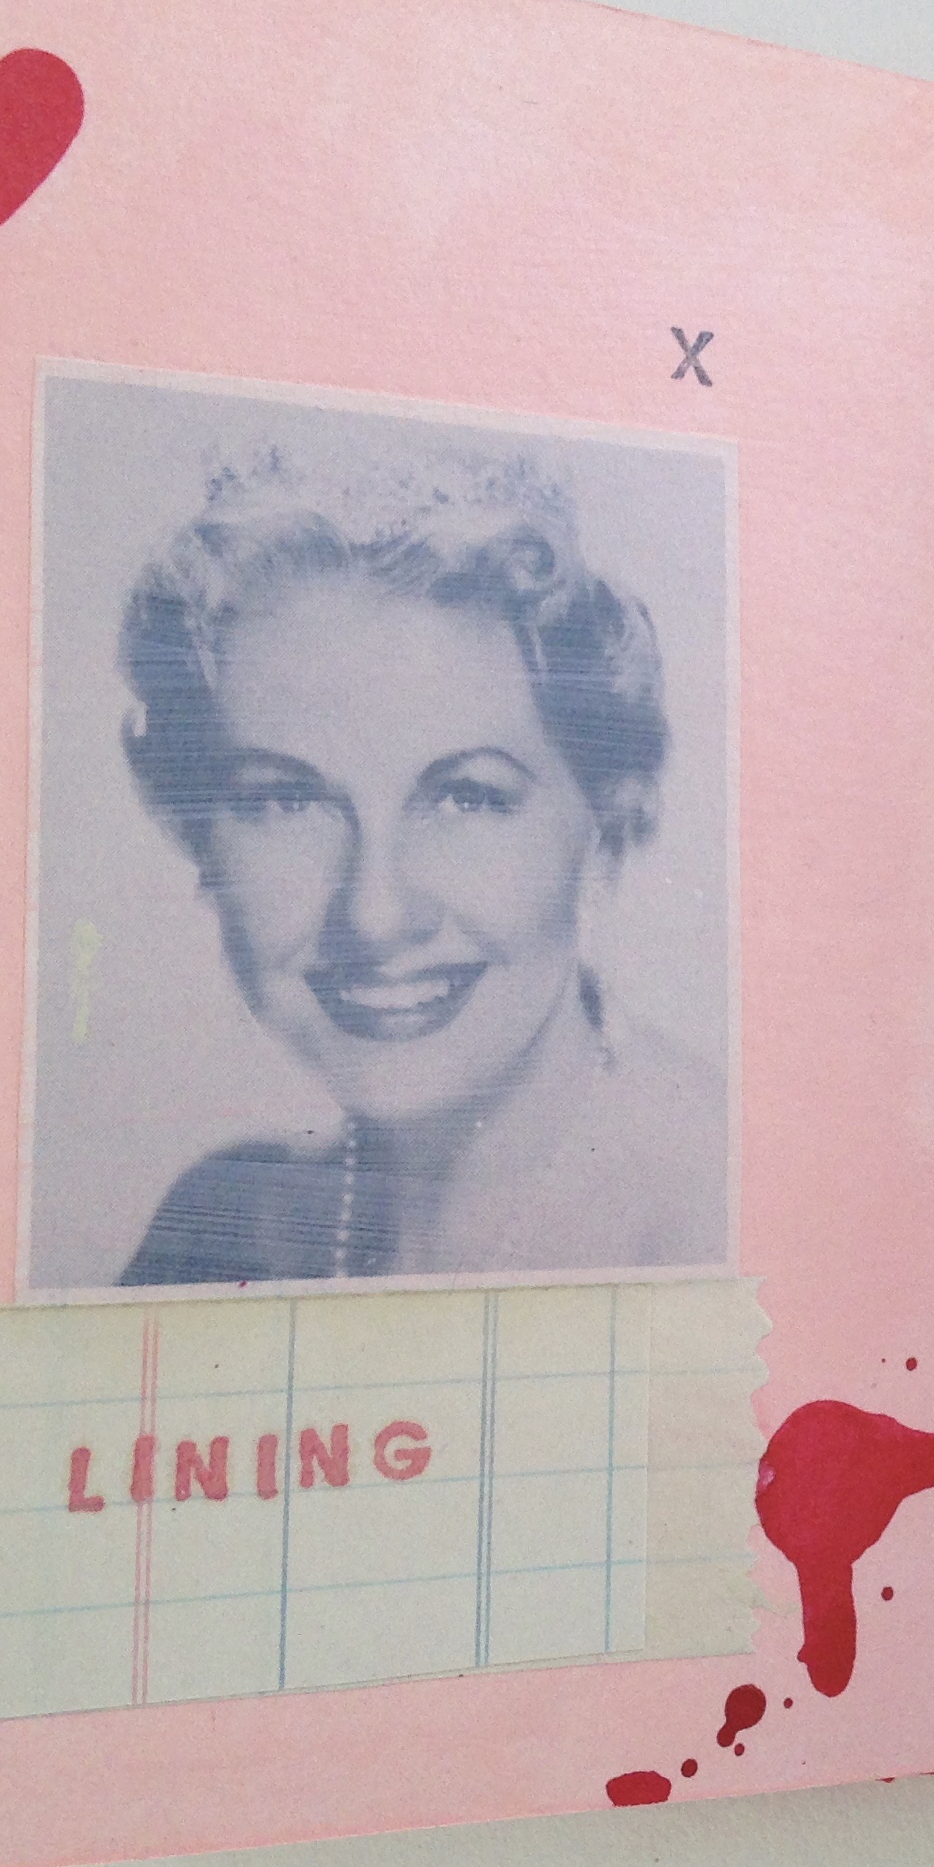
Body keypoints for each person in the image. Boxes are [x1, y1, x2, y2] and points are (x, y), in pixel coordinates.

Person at [114, 446, 724, 1283]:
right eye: (287, 801)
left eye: (467, 797)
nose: (375, 914)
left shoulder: (722, 1219)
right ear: (198, 833)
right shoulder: (223, 1226)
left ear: (608, 823)